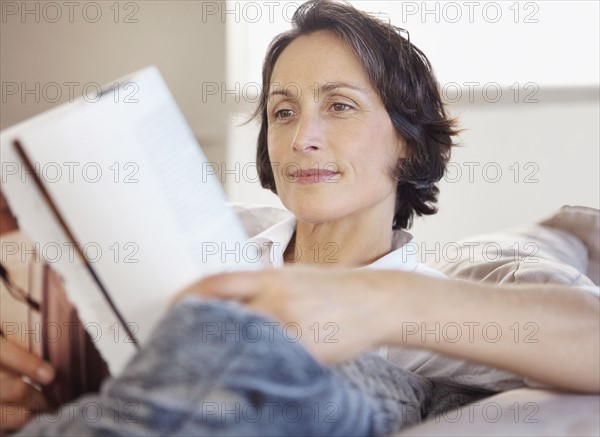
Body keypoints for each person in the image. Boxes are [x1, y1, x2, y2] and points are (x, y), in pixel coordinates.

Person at [1, 0, 598, 434]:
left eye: (339, 106)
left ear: (409, 144)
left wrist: (383, 302)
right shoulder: (210, 235)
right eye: (283, 112)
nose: (302, 137)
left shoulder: (439, 308)